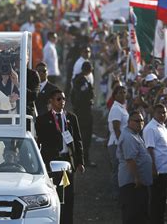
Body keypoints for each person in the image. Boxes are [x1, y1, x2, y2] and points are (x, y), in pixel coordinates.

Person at [35, 89, 84, 224]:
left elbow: (77, 140)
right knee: (53, 193)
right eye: (58, 99)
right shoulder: (42, 120)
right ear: (51, 101)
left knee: (68, 195)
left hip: (67, 161)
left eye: (63, 99)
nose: (62, 102)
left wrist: (80, 161)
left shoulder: (71, 118)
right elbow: (39, 142)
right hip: (51, 162)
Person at [117, 112, 152, 224]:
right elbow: (130, 159)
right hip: (132, 183)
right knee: (132, 215)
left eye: (142, 121)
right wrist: (137, 177)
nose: (140, 123)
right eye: (136, 121)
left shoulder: (135, 134)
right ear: (129, 122)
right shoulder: (129, 137)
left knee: (140, 215)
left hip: (137, 183)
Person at [144, 104, 167, 224]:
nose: (162, 115)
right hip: (158, 170)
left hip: (166, 169)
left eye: (164, 112)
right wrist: (153, 168)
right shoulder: (151, 128)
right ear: (154, 113)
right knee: (156, 201)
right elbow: (149, 150)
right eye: (159, 112)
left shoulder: (162, 127)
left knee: (161, 200)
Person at [71, 61, 96, 167]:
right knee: (85, 137)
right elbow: (82, 96)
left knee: (81, 136)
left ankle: (80, 159)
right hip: (83, 112)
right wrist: (89, 100)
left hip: (80, 111)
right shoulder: (82, 80)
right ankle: (83, 159)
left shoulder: (79, 79)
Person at [107, 85, 129, 199]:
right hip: (116, 143)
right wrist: (121, 144)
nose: (123, 94)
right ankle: (116, 194)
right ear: (115, 95)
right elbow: (117, 128)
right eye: (120, 93)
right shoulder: (116, 108)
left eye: (124, 92)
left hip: (119, 142)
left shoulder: (121, 107)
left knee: (120, 168)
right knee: (117, 169)